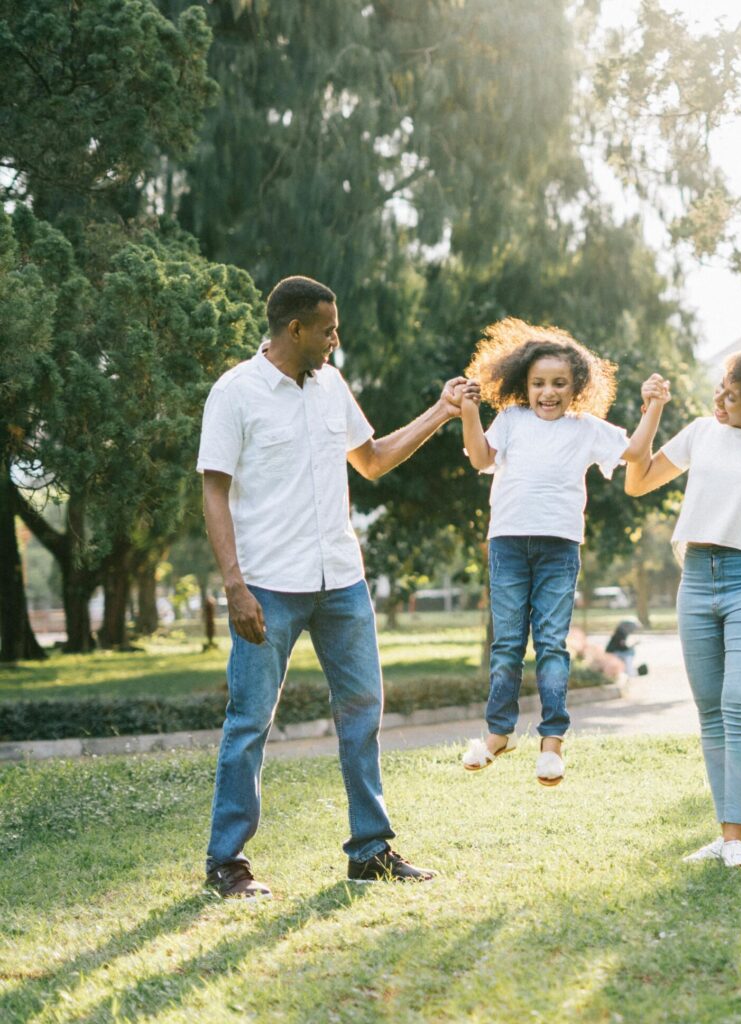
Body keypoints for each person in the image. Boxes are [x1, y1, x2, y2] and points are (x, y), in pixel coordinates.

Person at [198, 275, 464, 898]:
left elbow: (370, 459)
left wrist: (441, 410)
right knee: (249, 722)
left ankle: (370, 851)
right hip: (268, 585)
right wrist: (234, 586)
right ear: (295, 329)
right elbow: (213, 489)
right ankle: (226, 861)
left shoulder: (331, 386)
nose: (335, 340)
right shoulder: (235, 393)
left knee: (362, 713)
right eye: (328, 329)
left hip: (342, 582)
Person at [457, 317, 670, 786]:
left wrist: (652, 406)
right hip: (509, 543)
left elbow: (635, 452)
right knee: (508, 644)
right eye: (538, 384)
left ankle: (552, 742)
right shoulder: (511, 420)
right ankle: (498, 734)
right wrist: (469, 413)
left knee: (552, 643)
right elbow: (479, 458)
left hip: (559, 547)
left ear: (577, 388)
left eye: (558, 384)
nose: (547, 392)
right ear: (523, 385)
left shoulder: (586, 428)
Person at [624, 348, 741, 869]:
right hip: (698, 579)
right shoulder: (702, 432)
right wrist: (653, 411)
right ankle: (728, 836)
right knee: (712, 714)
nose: (721, 400)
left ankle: (737, 840)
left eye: (734, 397)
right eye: (722, 389)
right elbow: (636, 482)